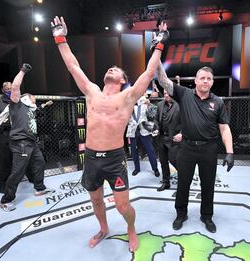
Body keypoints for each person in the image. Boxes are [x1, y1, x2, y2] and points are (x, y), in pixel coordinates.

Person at [51, 16, 168, 251]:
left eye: (115, 69)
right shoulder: (92, 91)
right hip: (92, 157)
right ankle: (103, 228)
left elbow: (149, 72)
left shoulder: (127, 97)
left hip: (114, 159)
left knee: (123, 206)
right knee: (95, 200)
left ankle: (131, 228)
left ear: (123, 79)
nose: (110, 69)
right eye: (108, 68)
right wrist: (60, 38)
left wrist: (160, 43)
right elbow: (73, 66)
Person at [156, 64, 235, 233]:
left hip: (209, 149)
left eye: (208, 79)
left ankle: (206, 216)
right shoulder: (184, 94)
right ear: (196, 80)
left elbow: (224, 128)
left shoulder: (218, 102)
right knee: (183, 183)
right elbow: (163, 80)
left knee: (208, 185)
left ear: (212, 82)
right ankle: (181, 214)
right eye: (202, 78)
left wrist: (230, 152)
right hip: (187, 148)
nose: (205, 81)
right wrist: (157, 55)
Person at [0, 64, 54, 212]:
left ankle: (40, 188)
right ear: (26, 99)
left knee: (40, 162)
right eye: (34, 100)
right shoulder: (17, 104)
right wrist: (23, 71)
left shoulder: (30, 108)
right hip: (20, 142)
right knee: (18, 171)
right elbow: (16, 87)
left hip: (31, 142)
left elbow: (37, 109)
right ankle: (6, 200)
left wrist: (44, 105)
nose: (35, 103)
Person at [126, 95, 160, 177]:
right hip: (132, 131)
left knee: (150, 150)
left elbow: (153, 114)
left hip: (144, 130)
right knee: (134, 151)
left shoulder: (143, 101)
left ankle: (155, 168)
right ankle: (137, 168)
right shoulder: (127, 104)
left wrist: (149, 104)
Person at [154, 90, 181, 191]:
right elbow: (156, 119)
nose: (166, 95)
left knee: (175, 160)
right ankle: (166, 182)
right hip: (161, 138)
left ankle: (184, 179)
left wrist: (181, 133)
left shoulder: (180, 104)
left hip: (174, 139)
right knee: (163, 161)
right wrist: (156, 128)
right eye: (164, 93)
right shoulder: (160, 104)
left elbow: (187, 121)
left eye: (168, 93)